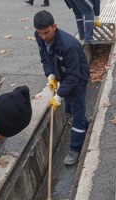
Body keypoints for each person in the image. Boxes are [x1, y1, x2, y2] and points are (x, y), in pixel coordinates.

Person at [33, 10, 90, 165]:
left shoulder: (68, 46)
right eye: (40, 33)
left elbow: (73, 76)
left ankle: (75, 149)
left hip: (77, 80)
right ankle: (84, 124)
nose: (44, 36)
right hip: (62, 74)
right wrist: (50, 74)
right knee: (69, 109)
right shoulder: (39, 36)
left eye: (47, 32)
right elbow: (45, 58)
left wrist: (59, 96)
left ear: (55, 27)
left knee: (77, 113)